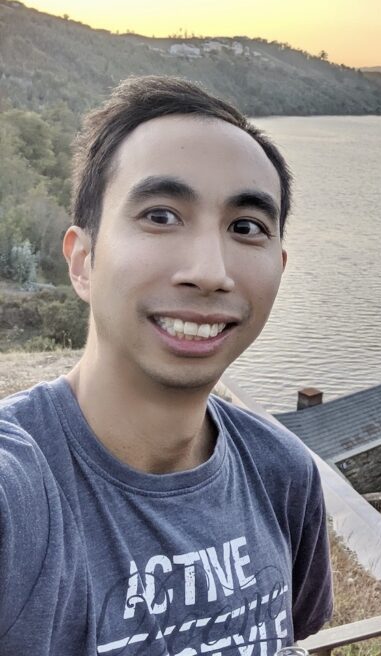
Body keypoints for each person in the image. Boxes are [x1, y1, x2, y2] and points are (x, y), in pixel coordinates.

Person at [0, 77, 333, 654]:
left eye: (245, 227)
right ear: (83, 260)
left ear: (279, 266)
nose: (209, 270)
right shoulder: (21, 493)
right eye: (160, 215)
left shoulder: (283, 474)